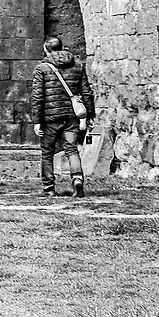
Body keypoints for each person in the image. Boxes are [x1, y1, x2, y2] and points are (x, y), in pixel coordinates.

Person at [36, 35, 96, 196]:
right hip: (72, 116)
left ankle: (49, 188)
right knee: (72, 150)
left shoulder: (41, 69)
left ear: (46, 49)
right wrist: (89, 115)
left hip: (50, 118)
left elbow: (38, 96)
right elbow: (86, 92)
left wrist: (37, 121)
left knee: (47, 152)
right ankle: (77, 179)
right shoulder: (77, 66)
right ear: (61, 47)